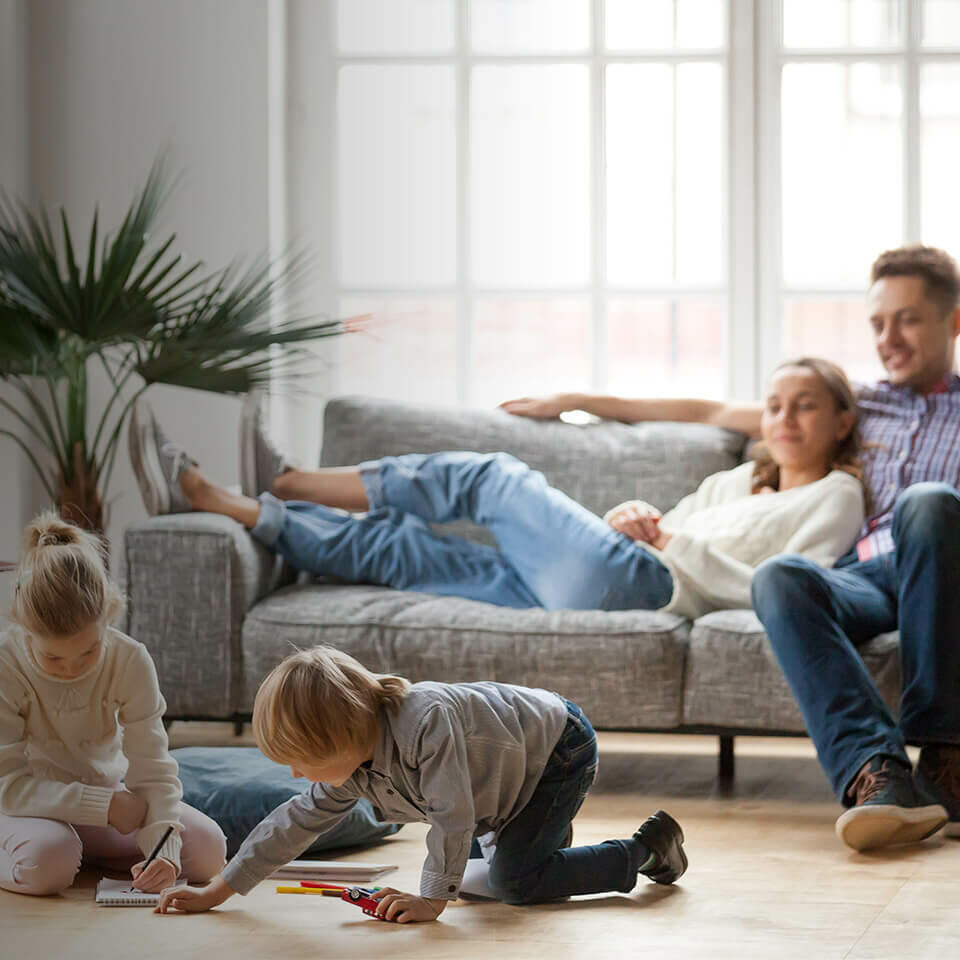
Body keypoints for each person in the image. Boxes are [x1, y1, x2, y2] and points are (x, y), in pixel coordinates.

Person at [504, 244, 960, 853]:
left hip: (941, 570)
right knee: (780, 576)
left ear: (953, 320)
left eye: (907, 319)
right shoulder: (859, 402)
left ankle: (947, 757)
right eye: (878, 322)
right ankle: (874, 776)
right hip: (865, 577)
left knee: (927, 501)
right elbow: (707, 409)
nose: (888, 337)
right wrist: (578, 401)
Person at [128, 357, 863, 622]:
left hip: (645, 583)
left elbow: (791, 586)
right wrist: (638, 514)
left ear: (841, 419)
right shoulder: (737, 478)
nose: (785, 418)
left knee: (490, 477)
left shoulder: (837, 496)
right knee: (404, 551)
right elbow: (653, 526)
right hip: (610, 568)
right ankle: (238, 506)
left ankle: (285, 478)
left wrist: (665, 539)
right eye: (775, 405)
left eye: (805, 404)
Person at [154, 644, 687, 920]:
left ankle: (644, 851)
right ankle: (540, 847)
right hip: (500, 782)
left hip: (555, 751)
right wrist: (218, 890)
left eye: (303, 762)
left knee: (511, 886)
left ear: (342, 738)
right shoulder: (351, 768)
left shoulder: (424, 720)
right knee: (478, 886)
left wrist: (431, 900)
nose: (296, 776)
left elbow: (452, 815)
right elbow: (291, 824)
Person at [0, 512, 227, 896]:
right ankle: (60, 848)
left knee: (208, 852)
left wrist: (163, 851)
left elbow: (152, 770)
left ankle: (78, 850)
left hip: (105, 802)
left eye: (89, 651)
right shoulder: (6, 662)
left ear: (109, 616)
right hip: (23, 805)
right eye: (53, 659)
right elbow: (8, 784)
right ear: (24, 628)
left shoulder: (131, 658)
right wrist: (103, 805)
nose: (72, 669)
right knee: (46, 865)